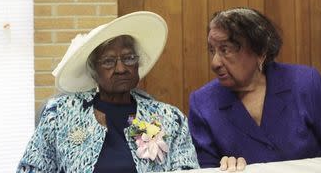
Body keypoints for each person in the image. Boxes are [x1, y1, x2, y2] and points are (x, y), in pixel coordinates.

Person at [17, 11, 199, 173]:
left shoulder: (170, 118)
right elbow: (31, 168)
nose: (121, 68)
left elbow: (188, 169)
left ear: (138, 63)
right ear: (93, 71)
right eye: (108, 61)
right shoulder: (60, 114)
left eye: (128, 58)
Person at [188, 7, 321, 171]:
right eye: (212, 50)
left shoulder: (304, 83)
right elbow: (206, 168)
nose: (215, 63)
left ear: (260, 51)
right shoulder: (203, 104)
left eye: (225, 49)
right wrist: (222, 168)